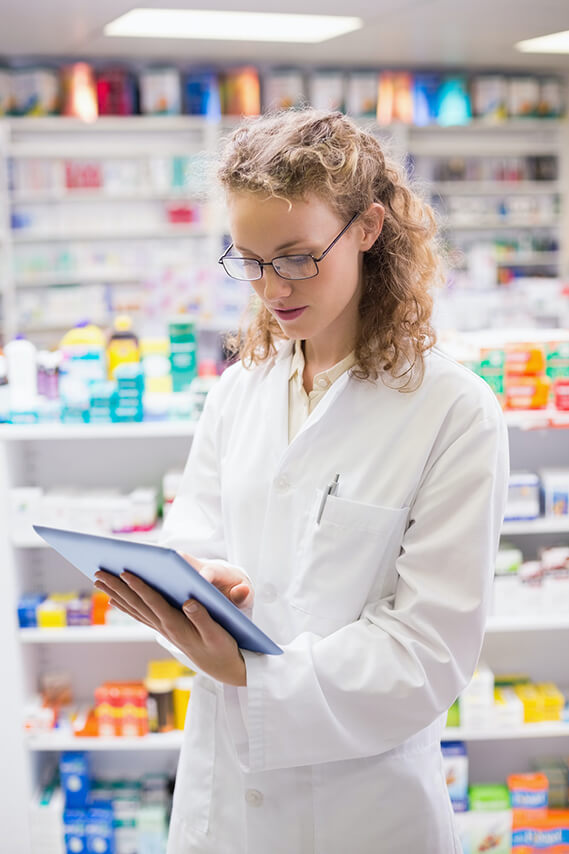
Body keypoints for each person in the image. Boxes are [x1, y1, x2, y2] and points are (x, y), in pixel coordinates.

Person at [94, 108, 509, 854]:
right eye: (248, 260)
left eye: (293, 257)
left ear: (368, 228)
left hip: (364, 811)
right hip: (224, 806)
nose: (269, 287)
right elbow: (196, 529)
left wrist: (256, 676)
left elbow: (428, 651)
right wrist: (195, 582)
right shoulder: (239, 390)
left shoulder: (451, 411)